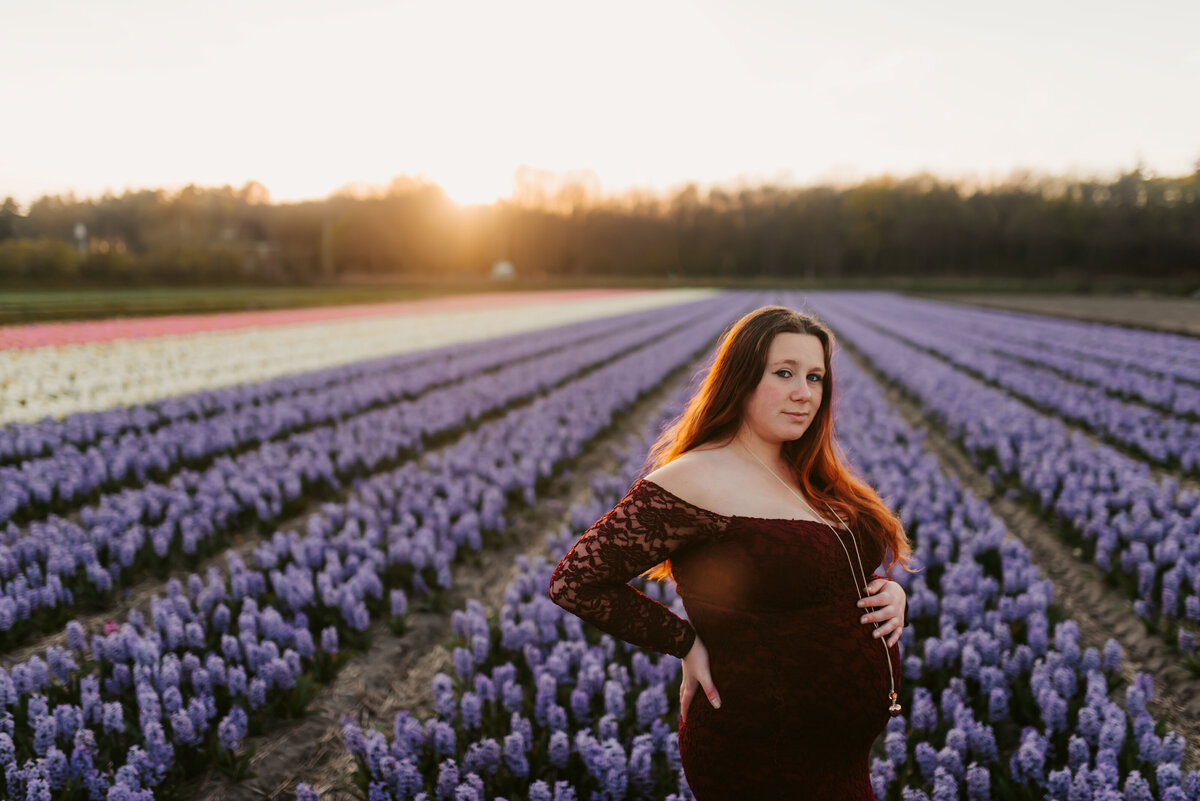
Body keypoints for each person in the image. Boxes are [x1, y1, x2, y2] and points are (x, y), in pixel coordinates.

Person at [548, 305, 914, 799]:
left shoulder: (812, 475)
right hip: (758, 751)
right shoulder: (693, 478)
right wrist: (683, 641)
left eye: (815, 377)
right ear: (740, 380)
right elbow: (576, 581)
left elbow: (826, 574)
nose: (802, 393)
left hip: (840, 759)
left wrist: (890, 592)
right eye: (783, 373)